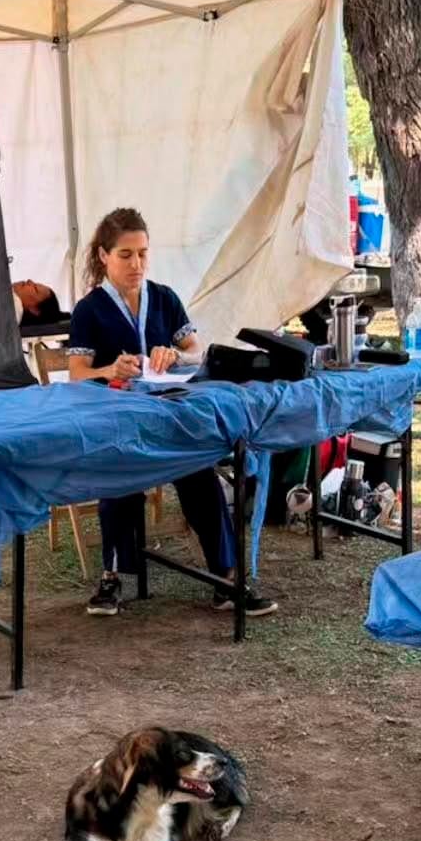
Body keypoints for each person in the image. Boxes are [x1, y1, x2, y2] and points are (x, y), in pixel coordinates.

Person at [65, 207, 276, 618]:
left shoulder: (163, 298)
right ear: (104, 255)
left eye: (143, 253)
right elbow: (76, 374)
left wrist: (173, 353)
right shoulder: (89, 310)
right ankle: (111, 577)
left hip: (170, 421)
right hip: (119, 424)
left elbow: (197, 353)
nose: (136, 264)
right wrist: (111, 369)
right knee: (119, 479)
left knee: (200, 477)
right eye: (125, 255)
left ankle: (227, 578)